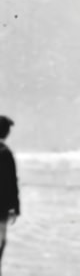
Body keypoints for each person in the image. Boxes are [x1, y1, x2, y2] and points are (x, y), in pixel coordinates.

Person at [0, 116, 19, 275]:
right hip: (2, 206)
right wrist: (15, 207)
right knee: (1, 242)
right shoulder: (5, 153)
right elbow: (12, 183)